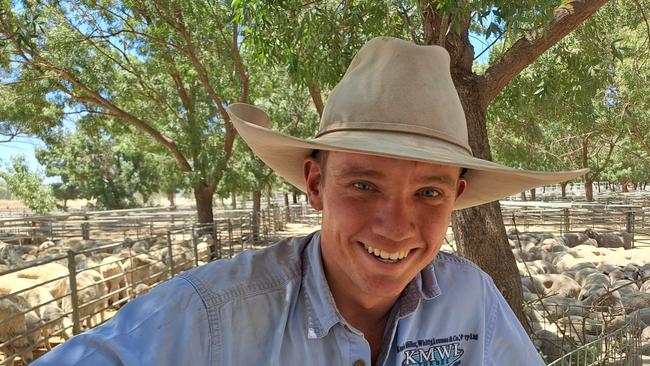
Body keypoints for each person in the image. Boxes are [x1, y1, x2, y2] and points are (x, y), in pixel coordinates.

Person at [34, 37, 584, 366]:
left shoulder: (471, 298)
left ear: (456, 197)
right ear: (315, 185)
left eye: (429, 193)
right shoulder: (212, 314)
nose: (396, 227)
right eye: (364, 186)